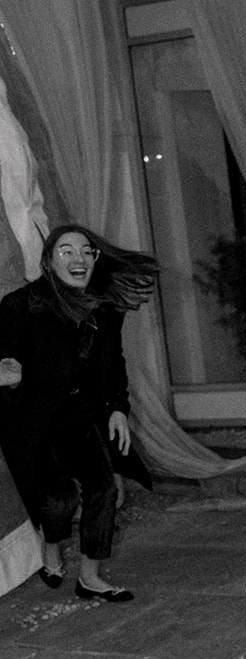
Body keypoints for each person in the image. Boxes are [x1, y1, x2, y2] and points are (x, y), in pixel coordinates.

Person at [0, 224, 159, 601]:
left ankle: (90, 576)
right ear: (49, 261)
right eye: (67, 251)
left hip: (79, 414)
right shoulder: (21, 305)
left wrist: (118, 409)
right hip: (33, 418)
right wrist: (10, 372)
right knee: (59, 501)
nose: (79, 258)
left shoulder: (102, 309)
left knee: (103, 487)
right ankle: (51, 546)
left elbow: (114, 364)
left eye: (87, 251)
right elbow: (5, 354)